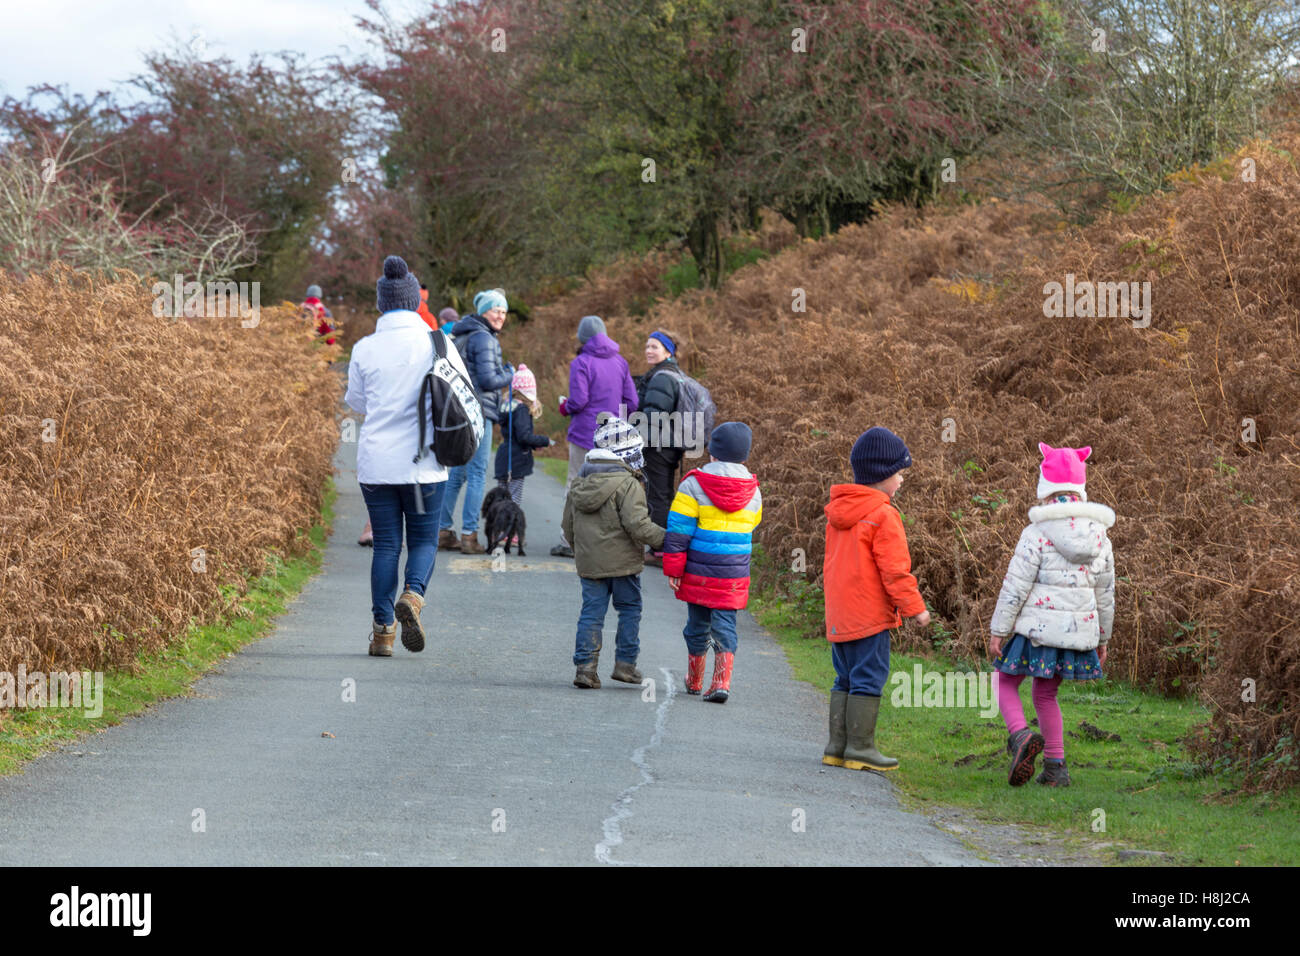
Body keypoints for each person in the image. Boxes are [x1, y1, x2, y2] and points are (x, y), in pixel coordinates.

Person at [344, 255, 474, 657]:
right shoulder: (438, 342)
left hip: (378, 465)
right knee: (422, 541)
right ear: (416, 301)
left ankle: (383, 631)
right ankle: (413, 596)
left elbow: (357, 401)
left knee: (385, 545)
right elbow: (462, 398)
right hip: (425, 466)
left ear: (382, 304)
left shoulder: (364, 347)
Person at [989, 442, 1116, 788]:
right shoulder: (1099, 535)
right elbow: (1106, 592)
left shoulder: (1036, 533)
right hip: (1077, 633)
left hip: (1037, 631)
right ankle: (1056, 769)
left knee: (1003, 682)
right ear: (1080, 488)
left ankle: (1020, 737)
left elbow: (1015, 586)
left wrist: (998, 630)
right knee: (1045, 695)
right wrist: (1103, 637)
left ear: (1045, 486)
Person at [821, 427, 930, 772]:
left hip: (840, 614)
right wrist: (915, 608)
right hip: (869, 617)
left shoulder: (838, 512)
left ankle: (836, 747)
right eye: (899, 474)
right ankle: (861, 748)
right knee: (869, 678)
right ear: (883, 475)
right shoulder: (884, 515)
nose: (901, 481)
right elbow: (895, 571)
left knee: (845, 678)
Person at [562, 417, 665, 689]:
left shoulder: (580, 482)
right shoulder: (629, 484)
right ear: (628, 455)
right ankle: (625, 665)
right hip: (624, 567)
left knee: (591, 613)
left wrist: (581, 551)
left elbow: (567, 526)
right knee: (629, 609)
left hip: (590, 565)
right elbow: (638, 525)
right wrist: (666, 540)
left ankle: (585, 668)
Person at [662, 422, 761, 703]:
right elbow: (753, 523)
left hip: (699, 571)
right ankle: (721, 682)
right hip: (733, 575)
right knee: (725, 626)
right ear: (744, 456)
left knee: (697, 625)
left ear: (712, 454)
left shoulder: (693, 484)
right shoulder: (754, 490)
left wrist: (673, 569)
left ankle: (694, 679)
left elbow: (679, 530)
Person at [551, 315, 639, 557]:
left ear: (582, 337)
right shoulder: (620, 362)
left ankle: (569, 542)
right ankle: (602, 542)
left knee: (575, 484)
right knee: (606, 488)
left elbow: (579, 401)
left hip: (583, 435)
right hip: (611, 437)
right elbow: (632, 401)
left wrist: (564, 407)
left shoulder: (581, 362)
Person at [439, 289, 514, 554]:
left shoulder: (462, 334)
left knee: (457, 473)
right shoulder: (485, 339)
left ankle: (443, 531)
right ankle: (469, 535)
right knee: (478, 473)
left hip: (459, 411)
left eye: (504, 311)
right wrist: (510, 373)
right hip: (478, 413)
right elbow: (488, 381)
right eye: (496, 310)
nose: (501, 316)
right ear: (484, 311)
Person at [636, 329, 684, 566]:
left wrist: (636, 437)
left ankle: (659, 550)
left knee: (657, 495)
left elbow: (654, 415)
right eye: (647, 346)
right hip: (668, 444)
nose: (649, 350)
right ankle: (664, 546)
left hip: (659, 446)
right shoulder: (671, 373)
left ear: (668, 351)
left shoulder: (663, 377)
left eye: (654, 346)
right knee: (662, 493)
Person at [494, 363, 554, 510]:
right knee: (514, 499)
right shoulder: (521, 410)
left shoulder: (507, 406)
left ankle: (499, 529)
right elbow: (523, 436)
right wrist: (544, 441)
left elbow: (515, 435)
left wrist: (534, 444)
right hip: (516, 461)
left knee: (501, 499)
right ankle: (510, 530)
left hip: (503, 457)